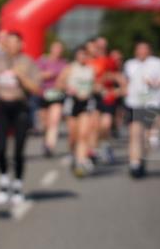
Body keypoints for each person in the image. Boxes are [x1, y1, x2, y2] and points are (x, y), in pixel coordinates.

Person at [0, 31, 41, 204]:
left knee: (18, 150)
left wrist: (21, 76)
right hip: (0, 107)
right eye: (9, 43)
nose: (12, 46)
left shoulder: (27, 62)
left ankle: (18, 185)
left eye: (16, 43)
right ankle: (3, 180)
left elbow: (36, 89)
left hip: (20, 107)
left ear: (21, 45)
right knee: (0, 147)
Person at [122, 41, 160, 178]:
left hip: (152, 104)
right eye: (139, 49)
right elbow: (125, 82)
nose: (142, 52)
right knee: (134, 134)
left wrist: (157, 83)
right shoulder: (129, 64)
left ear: (149, 51)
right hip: (134, 104)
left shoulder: (158, 63)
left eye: (145, 49)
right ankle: (134, 163)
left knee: (147, 138)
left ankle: (142, 158)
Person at [58, 44, 98, 177]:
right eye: (80, 54)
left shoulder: (91, 69)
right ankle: (72, 153)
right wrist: (67, 88)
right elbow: (59, 83)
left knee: (83, 134)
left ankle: (81, 160)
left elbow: (95, 85)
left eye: (84, 54)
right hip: (72, 102)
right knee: (74, 135)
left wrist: (94, 90)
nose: (82, 57)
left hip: (86, 103)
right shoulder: (70, 68)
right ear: (76, 55)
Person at [88, 37, 120, 164]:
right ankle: (94, 151)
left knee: (105, 124)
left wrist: (114, 87)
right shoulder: (89, 61)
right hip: (94, 96)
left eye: (103, 45)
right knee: (94, 125)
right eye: (99, 45)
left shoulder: (110, 61)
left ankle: (105, 144)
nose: (101, 47)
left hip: (108, 96)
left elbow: (116, 77)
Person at [36, 41, 68, 158]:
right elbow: (36, 75)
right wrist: (47, 75)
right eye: (56, 48)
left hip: (57, 95)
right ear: (51, 49)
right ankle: (45, 141)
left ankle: (50, 145)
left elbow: (66, 78)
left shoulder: (63, 64)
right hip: (43, 94)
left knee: (54, 121)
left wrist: (62, 83)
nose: (58, 51)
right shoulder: (43, 60)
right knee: (45, 123)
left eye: (60, 49)